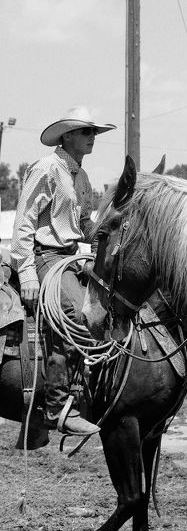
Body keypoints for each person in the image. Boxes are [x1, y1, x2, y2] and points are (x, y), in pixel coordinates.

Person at [11, 106, 116, 436]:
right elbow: (24, 223)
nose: (92, 138)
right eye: (86, 132)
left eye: (94, 133)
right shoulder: (46, 168)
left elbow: (83, 225)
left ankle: (89, 393)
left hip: (70, 256)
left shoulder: (82, 176)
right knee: (75, 314)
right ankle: (57, 407)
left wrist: (110, 229)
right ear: (67, 135)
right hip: (47, 257)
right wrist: (27, 273)